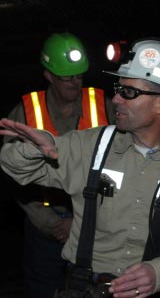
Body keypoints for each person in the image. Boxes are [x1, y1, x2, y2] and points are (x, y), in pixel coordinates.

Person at [0, 38, 160, 297]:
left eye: (129, 92)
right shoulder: (90, 146)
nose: (115, 98)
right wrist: (36, 150)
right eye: (119, 88)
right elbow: (15, 166)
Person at [2, 31, 114, 298]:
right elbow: (13, 175)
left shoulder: (104, 106)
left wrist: (80, 220)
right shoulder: (26, 112)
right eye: (67, 78)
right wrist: (47, 222)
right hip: (46, 229)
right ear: (49, 75)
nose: (75, 83)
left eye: (79, 76)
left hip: (95, 223)